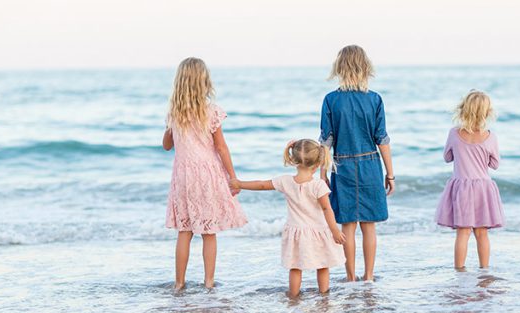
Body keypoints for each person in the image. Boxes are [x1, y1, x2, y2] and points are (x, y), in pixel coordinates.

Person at [163, 57, 247, 290]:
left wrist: (170, 127)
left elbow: (167, 146)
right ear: (204, 82)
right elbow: (220, 147)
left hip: (183, 176)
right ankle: (208, 282)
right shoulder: (211, 112)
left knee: (185, 230)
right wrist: (232, 177)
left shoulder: (174, 113)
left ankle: (179, 283)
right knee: (209, 232)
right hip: (207, 175)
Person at [230, 140, 345, 297]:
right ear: (318, 163)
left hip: (296, 232)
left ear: (293, 160)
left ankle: (293, 296)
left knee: (295, 266)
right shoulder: (318, 185)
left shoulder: (285, 181)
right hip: (318, 231)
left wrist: (239, 183)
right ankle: (324, 297)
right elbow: (327, 209)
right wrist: (335, 231)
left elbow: (262, 185)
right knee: (323, 265)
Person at [319, 45, 395, 282]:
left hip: (342, 167)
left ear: (339, 68)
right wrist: (390, 174)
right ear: (365, 67)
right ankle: (369, 277)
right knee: (369, 226)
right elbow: (381, 139)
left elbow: (326, 140)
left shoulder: (331, 100)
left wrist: (322, 172)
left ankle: (350, 278)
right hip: (370, 164)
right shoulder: (374, 99)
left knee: (348, 227)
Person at [435, 90, 504, 269]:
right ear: (487, 113)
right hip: (483, 189)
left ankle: (460, 270)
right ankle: (484, 270)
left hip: (462, 188)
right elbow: (495, 164)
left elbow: (447, 157)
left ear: (463, 109)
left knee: (463, 233)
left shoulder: (454, 133)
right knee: (482, 233)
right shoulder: (491, 137)